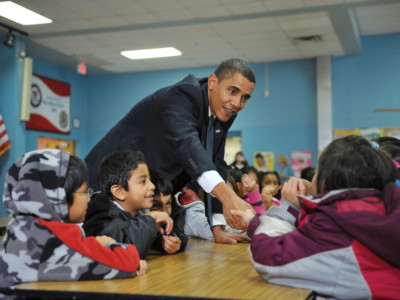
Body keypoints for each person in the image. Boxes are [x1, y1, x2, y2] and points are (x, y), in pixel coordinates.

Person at [85, 58, 256, 244]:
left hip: (147, 192)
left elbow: (215, 164)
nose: (237, 103)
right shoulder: (182, 96)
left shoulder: (223, 111)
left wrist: (217, 227)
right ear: (213, 82)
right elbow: (187, 146)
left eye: (245, 97)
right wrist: (229, 196)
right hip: (105, 184)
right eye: (232, 91)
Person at [232, 135, 400, 299]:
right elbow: (304, 239)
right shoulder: (370, 210)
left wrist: (289, 205)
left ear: (324, 181)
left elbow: (267, 257)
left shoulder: (337, 228)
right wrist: (255, 224)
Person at [0, 149, 145, 288]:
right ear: (60, 196)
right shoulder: (52, 236)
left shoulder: (20, 226)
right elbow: (126, 262)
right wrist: (110, 244)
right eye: (85, 192)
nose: (89, 198)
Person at [83, 150, 174, 259]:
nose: (152, 186)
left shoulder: (137, 211)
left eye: (149, 180)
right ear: (119, 192)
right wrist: (150, 219)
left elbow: (142, 235)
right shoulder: (103, 216)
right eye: (143, 181)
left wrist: (166, 242)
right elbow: (125, 251)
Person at [150, 170, 188, 253]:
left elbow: (180, 234)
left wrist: (177, 242)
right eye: (156, 205)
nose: (164, 212)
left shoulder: (176, 212)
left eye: (168, 204)